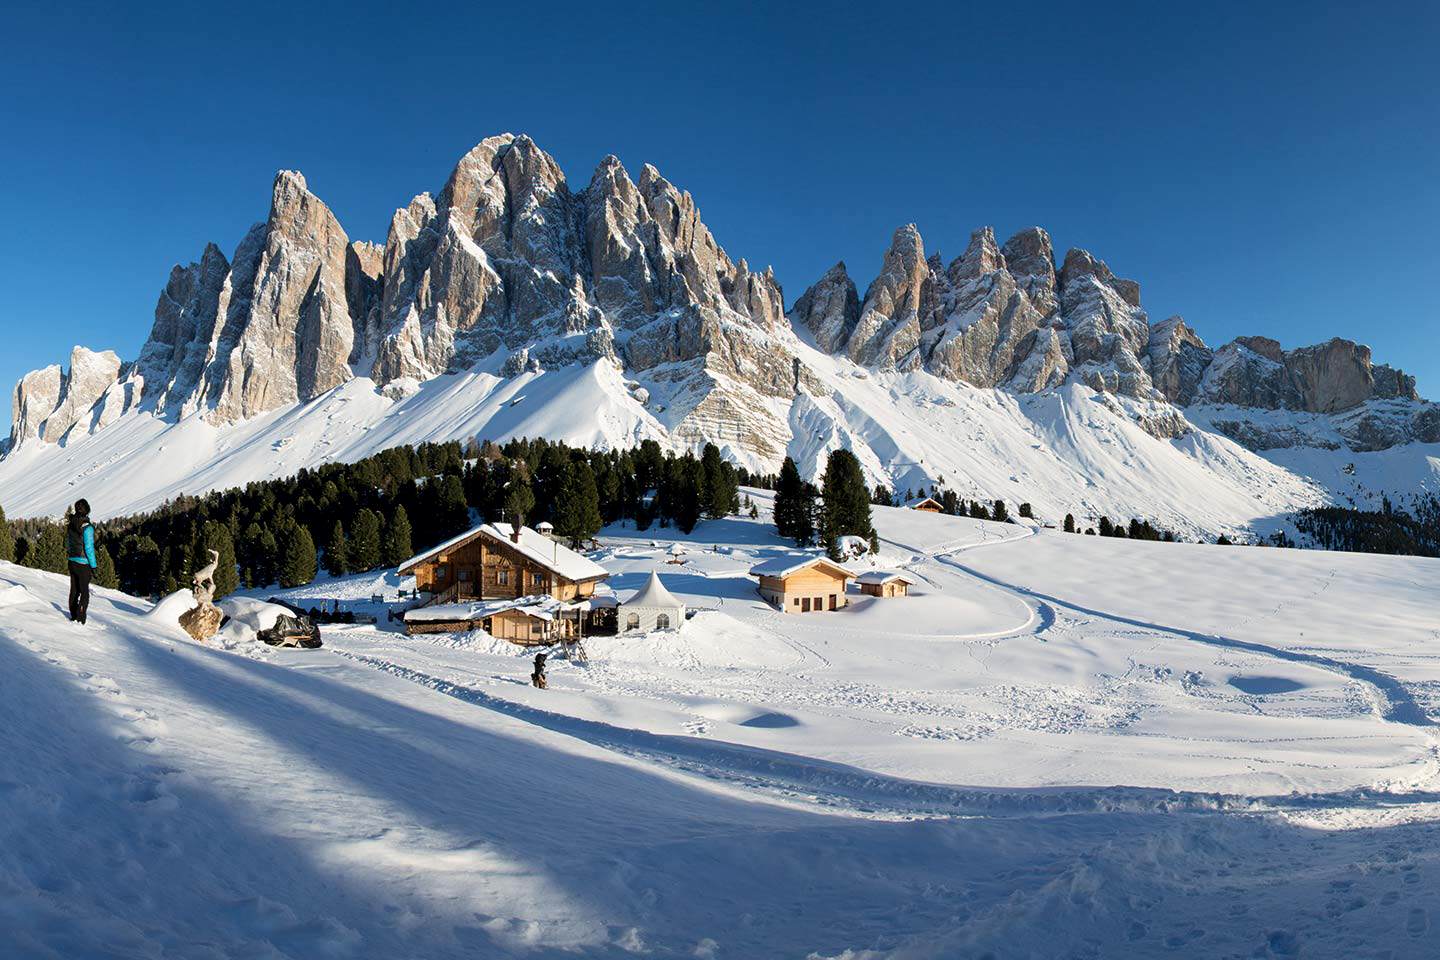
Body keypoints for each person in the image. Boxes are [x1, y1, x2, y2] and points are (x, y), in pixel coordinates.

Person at [66, 498, 98, 625]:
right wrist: (94, 565)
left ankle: (73, 615)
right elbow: (89, 548)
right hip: (83, 563)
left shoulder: (71, 524)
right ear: (87, 510)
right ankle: (81, 618)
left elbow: (68, 543)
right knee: (84, 592)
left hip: (72, 561)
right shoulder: (87, 527)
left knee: (74, 589)